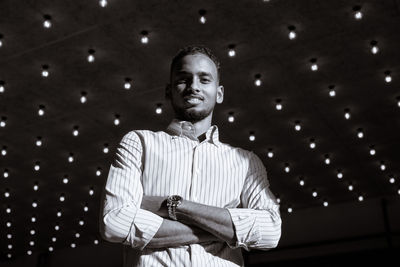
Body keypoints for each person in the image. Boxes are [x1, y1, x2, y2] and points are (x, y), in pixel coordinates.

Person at [100, 45, 282, 267]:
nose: (193, 87)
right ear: (169, 91)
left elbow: (270, 231)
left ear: (219, 93)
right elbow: (115, 222)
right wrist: (227, 229)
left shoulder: (246, 162)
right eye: (184, 79)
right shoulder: (138, 143)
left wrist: (172, 205)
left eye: (204, 80)